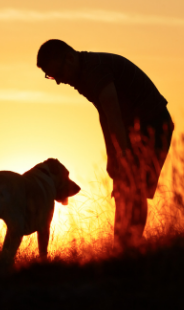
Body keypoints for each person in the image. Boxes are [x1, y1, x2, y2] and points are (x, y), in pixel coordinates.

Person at [37, 39, 174, 251]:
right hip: (133, 127)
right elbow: (105, 114)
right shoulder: (83, 75)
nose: (59, 82)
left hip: (153, 125)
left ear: (70, 58)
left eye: (58, 74)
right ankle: (123, 248)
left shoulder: (94, 70)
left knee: (134, 188)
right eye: (52, 77)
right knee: (123, 188)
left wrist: (124, 155)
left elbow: (113, 114)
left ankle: (130, 248)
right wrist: (113, 155)